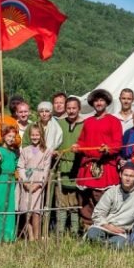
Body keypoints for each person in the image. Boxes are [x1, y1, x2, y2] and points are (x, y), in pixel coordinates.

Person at [74, 89, 123, 229]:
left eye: (101, 100)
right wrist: (77, 146)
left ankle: (105, 228)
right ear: (92, 103)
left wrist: (108, 148)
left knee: (102, 198)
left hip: (105, 165)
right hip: (87, 166)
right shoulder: (88, 122)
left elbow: (118, 144)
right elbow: (82, 141)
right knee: (86, 198)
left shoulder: (114, 121)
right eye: (96, 100)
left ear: (106, 102)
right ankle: (88, 228)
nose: (99, 103)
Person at [85, 163, 134, 248]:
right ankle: (106, 245)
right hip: (105, 227)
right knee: (92, 233)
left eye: (131, 176)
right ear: (120, 175)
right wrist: (108, 226)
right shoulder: (111, 192)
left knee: (120, 244)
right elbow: (97, 214)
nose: (128, 179)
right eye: (125, 175)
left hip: (121, 232)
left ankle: (104, 245)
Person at [18, 124, 54, 240]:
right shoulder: (25, 150)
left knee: (36, 211)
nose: (35, 137)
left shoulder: (46, 151)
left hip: (38, 183)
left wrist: (38, 184)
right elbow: (20, 167)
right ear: (29, 135)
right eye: (33, 135)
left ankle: (37, 235)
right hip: (27, 182)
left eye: (37, 135)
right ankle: (31, 236)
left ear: (41, 135)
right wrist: (25, 182)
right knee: (26, 210)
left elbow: (46, 169)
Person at [55, 96, 84, 234]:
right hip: (61, 166)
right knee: (61, 202)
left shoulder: (85, 124)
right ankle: (60, 232)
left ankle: (74, 231)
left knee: (74, 202)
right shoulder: (59, 123)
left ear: (79, 109)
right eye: (69, 108)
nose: (71, 111)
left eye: (74, 108)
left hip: (78, 167)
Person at [0, 124, 20, 243]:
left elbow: (16, 166)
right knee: (0, 206)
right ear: (4, 136)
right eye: (9, 136)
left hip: (12, 180)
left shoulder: (13, 152)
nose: (11, 139)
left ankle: (8, 235)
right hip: (2, 179)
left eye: (13, 136)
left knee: (10, 207)